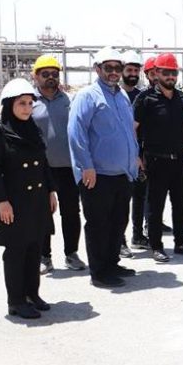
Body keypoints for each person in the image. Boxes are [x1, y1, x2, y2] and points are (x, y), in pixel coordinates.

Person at [0, 79, 58, 319]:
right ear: (9, 105)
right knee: (16, 251)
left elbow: (43, 163)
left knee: (35, 248)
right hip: (13, 202)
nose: (27, 108)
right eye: (21, 103)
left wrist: (51, 191)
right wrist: (1, 201)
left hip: (37, 199)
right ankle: (15, 301)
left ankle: (32, 294)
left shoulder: (32, 128)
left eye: (29, 103)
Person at [68, 46, 140, 289]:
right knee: (98, 224)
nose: (114, 72)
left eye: (117, 68)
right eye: (108, 67)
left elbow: (128, 131)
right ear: (97, 69)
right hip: (97, 175)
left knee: (118, 223)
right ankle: (99, 272)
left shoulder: (121, 97)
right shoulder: (87, 96)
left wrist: (134, 159)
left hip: (122, 174)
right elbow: (76, 133)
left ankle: (112, 263)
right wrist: (85, 166)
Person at [133, 53, 183, 263]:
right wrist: (136, 156)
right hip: (155, 160)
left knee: (180, 203)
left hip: (178, 159)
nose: (170, 76)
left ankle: (180, 243)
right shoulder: (145, 99)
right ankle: (156, 246)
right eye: (166, 72)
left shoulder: (182, 98)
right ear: (157, 73)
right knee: (155, 205)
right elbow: (133, 128)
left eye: (173, 72)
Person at [30, 55, 85, 274]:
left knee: (71, 213)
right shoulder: (29, 102)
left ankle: (71, 254)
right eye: (45, 74)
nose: (51, 77)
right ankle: (44, 257)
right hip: (41, 170)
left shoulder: (69, 101)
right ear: (36, 76)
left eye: (54, 74)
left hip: (68, 168)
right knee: (43, 214)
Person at [119, 51, 149, 258]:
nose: (132, 74)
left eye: (136, 70)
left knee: (139, 197)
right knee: (121, 201)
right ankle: (119, 240)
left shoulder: (141, 96)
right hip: (119, 157)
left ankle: (137, 235)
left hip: (139, 157)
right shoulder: (114, 95)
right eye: (129, 70)